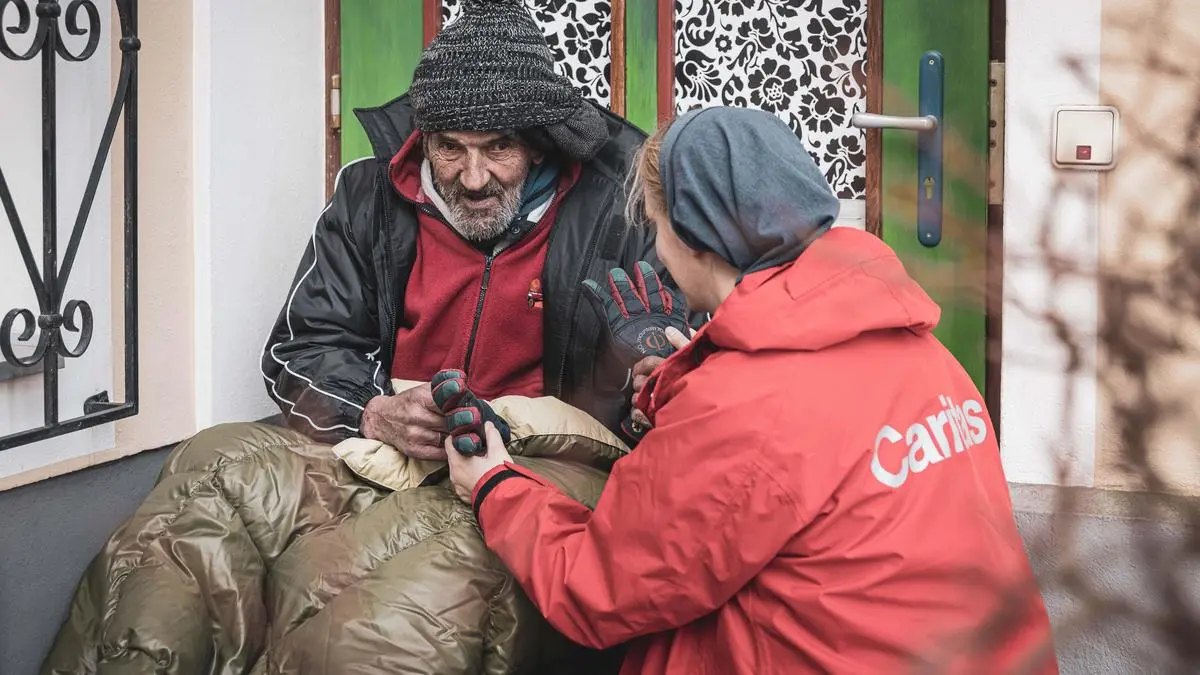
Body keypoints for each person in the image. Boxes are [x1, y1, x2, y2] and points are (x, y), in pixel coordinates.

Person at [445, 106, 1059, 674]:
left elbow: (595, 591)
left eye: (658, 228)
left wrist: (495, 484)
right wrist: (683, 380)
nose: (656, 250)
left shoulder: (745, 406)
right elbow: (791, 458)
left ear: (693, 236)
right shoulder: (920, 351)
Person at [261, 0, 675, 457]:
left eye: (499, 147)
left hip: (541, 461)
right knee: (214, 463)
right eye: (450, 148)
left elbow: (678, 377)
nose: (473, 178)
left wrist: (648, 393)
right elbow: (302, 350)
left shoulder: (622, 210)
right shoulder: (368, 196)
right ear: (424, 142)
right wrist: (371, 411)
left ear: (539, 146)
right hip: (389, 448)